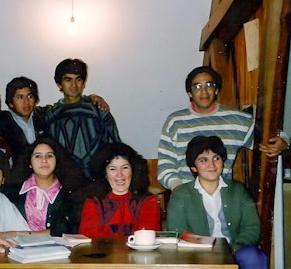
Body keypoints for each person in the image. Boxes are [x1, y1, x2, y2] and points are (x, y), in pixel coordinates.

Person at [157, 66, 289, 190]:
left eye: (209, 85)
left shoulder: (237, 120)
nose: (204, 91)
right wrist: (181, 190)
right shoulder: (175, 122)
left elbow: (273, 136)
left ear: (216, 90)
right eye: (197, 87)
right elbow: (165, 166)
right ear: (190, 93)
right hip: (186, 197)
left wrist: (284, 141)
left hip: (223, 198)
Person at [166, 136, 267, 269]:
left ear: (222, 162)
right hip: (197, 255)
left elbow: (252, 227)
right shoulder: (181, 195)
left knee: (253, 257)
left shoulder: (237, 190)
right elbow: (177, 233)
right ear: (193, 167)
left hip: (236, 251)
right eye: (203, 160)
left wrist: (233, 250)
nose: (212, 165)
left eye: (216, 158)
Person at [44, 59, 121, 180]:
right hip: (65, 183)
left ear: (84, 83)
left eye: (78, 79)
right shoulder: (50, 115)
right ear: (59, 84)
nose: (74, 85)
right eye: (68, 79)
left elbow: (115, 147)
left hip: (97, 181)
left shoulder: (99, 110)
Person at [1, 137, 85, 236]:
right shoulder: (13, 192)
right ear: (30, 163)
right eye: (38, 156)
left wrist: (14, 234)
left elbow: (61, 231)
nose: (44, 160)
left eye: (49, 156)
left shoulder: (70, 194)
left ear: (57, 160)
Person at [78, 142, 160, 238]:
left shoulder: (148, 201)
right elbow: (88, 239)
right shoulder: (93, 203)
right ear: (104, 174)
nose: (119, 174)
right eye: (112, 169)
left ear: (133, 170)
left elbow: (146, 238)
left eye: (125, 168)